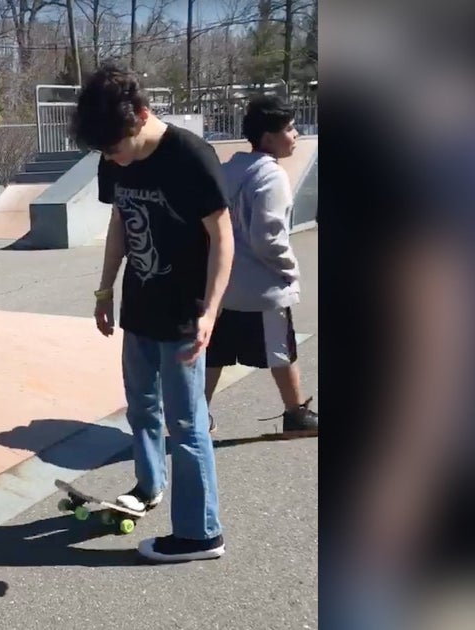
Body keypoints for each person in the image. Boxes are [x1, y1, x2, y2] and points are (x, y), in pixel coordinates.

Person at [72, 63, 235, 563]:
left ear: (142, 116)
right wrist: (105, 291)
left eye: (117, 149)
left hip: (185, 314)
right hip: (140, 309)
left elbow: (223, 237)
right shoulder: (112, 153)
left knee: (186, 426)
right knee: (141, 407)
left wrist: (209, 311)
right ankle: (148, 485)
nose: (113, 161)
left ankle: (200, 533)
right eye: (105, 154)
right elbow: (121, 221)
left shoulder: (190, 155)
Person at [205, 95, 319, 435]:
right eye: (289, 128)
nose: (296, 134)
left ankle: (197, 416)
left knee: (215, 353)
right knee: (280, 350)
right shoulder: (271, 176)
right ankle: (295, 414)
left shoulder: (226, 170)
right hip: (262, 287)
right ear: (268, 138)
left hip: (223, 284)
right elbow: (269, 237)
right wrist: (289, 270)